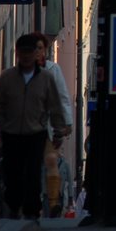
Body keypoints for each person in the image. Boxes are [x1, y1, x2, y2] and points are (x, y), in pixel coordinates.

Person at [0, 33, 68, 220]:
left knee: (33, 172)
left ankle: (32, 210)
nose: (26, 56)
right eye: (23, 52)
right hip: (11, 132)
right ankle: (13, 205)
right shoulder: (8, 77)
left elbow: (55, 105)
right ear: (17, 53)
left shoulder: (46, 77)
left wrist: (59, 130)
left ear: (36, 53)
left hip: (36, 132)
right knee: (13, 173)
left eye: (30, 51)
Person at [34, 32, 73, 217]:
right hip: (23, 129)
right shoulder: (17, 73)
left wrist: (67, 123)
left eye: (41, 48)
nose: (37, 52)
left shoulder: (52, 70)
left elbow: (62, 98)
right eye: (34, 48)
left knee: (51, 160)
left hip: (46, 128)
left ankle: (53, 201)